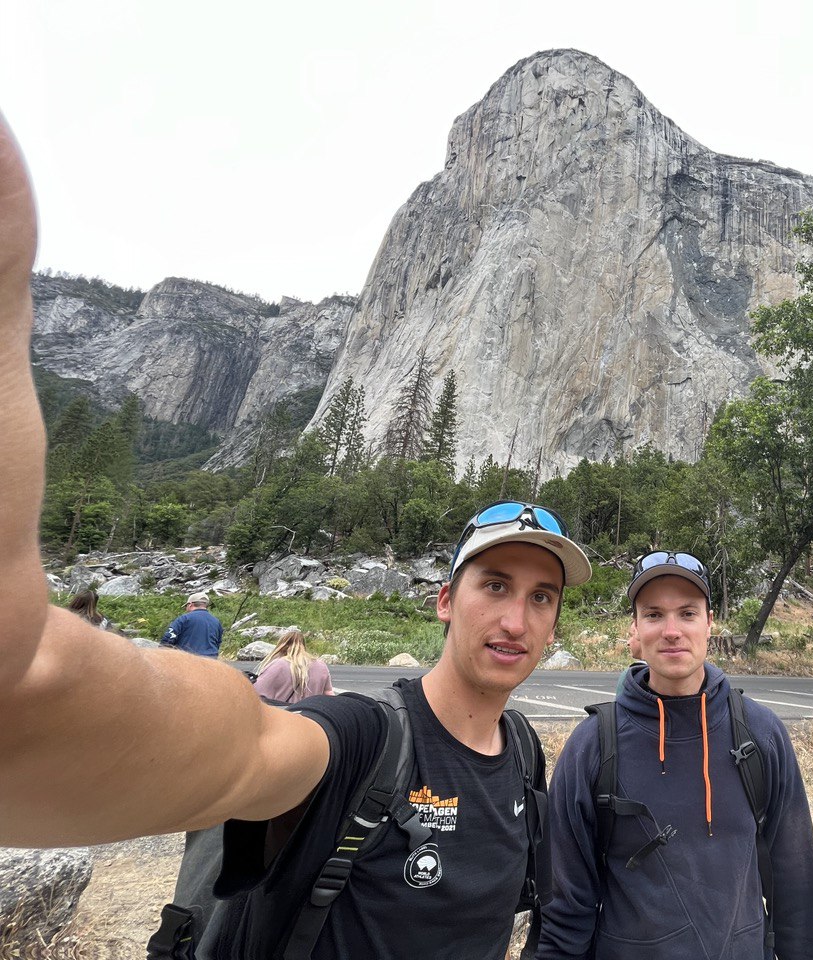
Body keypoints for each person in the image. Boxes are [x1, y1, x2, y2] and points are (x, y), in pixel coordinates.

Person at [0, 110, 590, 959]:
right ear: (442, 601)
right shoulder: (361, 739)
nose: (517, 617)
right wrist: (34, 681)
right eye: (493, 585)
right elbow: (242, 749)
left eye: (542, 597)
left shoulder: (527, 756)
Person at [537, 551, 813, 960]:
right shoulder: (592, 747)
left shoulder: (762, 736)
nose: (672, 631)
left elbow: (797, 892)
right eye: (655, 615)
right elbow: (564, 907)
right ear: (636, 630)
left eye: (688, 613)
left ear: (710, 624)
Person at [252, 627, 335, 704]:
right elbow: (329, 694)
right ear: (304, 645)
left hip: (284, 715)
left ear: (282, 646)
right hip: (311, 715)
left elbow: (256, 692)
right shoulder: (321, 665)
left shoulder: (278, 665)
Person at [159, 590, 224, 657]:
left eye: (186, 606)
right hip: (211, 661)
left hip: (188, 660)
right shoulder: (216, 622)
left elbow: (168, 638)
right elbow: (218, 643)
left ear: (190, 605)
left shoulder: (184, 619)